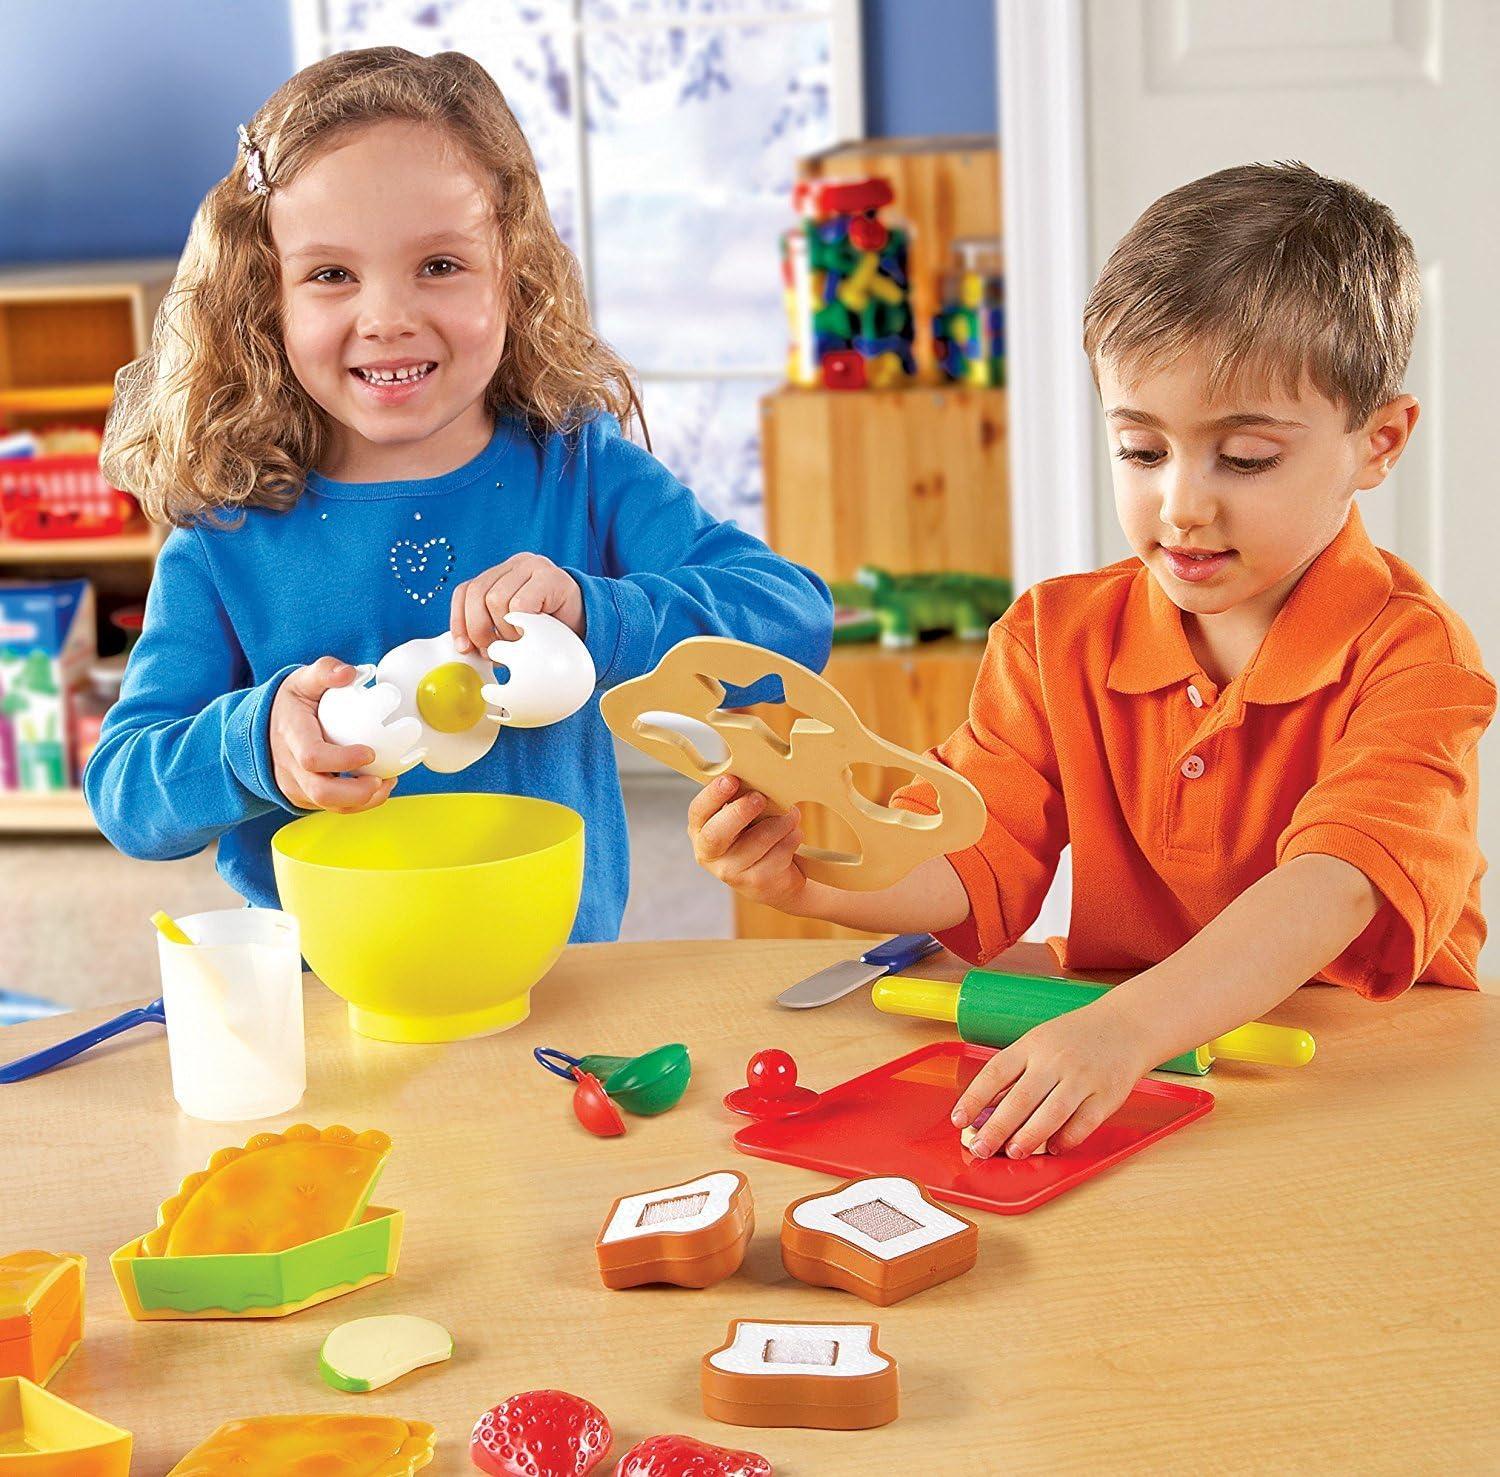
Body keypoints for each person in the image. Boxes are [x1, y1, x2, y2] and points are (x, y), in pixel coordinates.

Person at [688, 162, 1495, 1155]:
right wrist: (806, 878)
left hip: (1362, 1090)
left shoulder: (1418, 658)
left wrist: (1125, 1027)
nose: (1181, 505)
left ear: (1379, 442)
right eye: (1142, 451)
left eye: (1246, 458)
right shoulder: (1051, 637)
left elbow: (1337, 881)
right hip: (1134, 1077)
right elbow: (972, 855)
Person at [87, 46, 832, 942]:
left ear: (513, 272)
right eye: (331, 274)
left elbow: (793, 617)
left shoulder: (578, 470)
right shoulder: (226, 531)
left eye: (439, 264)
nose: (388, 318)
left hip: (555, 971)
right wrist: (256, 743)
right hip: (328, 985)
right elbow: (127, 791)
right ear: (266, 296)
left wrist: (598, 614)